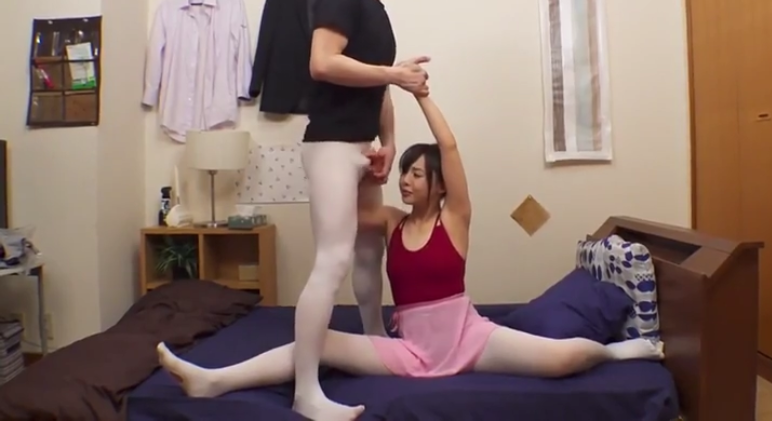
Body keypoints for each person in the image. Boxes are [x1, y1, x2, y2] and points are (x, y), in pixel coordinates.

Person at [156, 93, 666, 420]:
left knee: (566, 358)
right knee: (314, 340)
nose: (406, 180)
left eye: (417, 174)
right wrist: (367, 158)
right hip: (411, 349)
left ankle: (617, 352)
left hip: (469, 338)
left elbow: (450, 146)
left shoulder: (456, 218)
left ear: (438, 185)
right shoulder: (391, 222)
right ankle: (214, 381)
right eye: (405, 172)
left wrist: (421, 95)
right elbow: (348, 207)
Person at [293, 0, 432, 419]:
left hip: (363, 146)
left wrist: (389, 143)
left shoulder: (378, 12)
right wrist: (393, 74)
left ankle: (375, 342)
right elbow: (322, 62)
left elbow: (378, 87)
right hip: (330, 145)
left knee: (370, 249)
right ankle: (305, 392)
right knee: (333, 259)